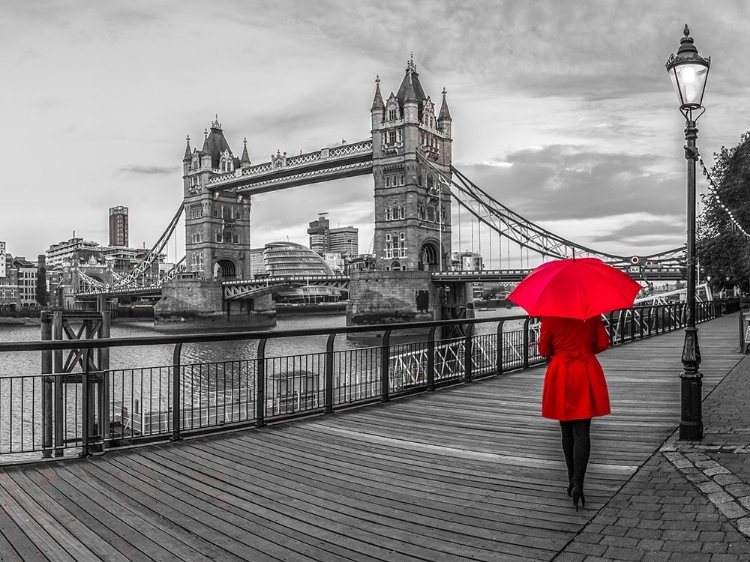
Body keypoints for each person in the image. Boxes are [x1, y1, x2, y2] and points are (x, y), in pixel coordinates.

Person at [538, 315, 611, 511]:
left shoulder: (550, 317)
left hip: (561, 372)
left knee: (566, 431)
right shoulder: (592, 315)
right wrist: (585, 351)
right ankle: (579, 482)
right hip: (585, 369)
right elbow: (604, 343)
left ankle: (572, 478)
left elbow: (543, 350)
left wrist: (561, 351)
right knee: (582, 431)